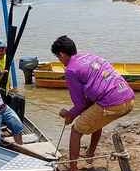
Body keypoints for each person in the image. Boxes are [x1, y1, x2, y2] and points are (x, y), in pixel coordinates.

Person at [51, 36, 135, 171]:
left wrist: (69, 114)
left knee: (76, 130)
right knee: (96, 118)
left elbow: (80, 104)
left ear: (61, 54)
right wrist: (73, 113)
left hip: (112, 103)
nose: (60, 61)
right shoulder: (89, 56)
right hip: (129, 98)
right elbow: (88, 102)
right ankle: (90, 154)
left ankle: (73, 168)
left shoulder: (71, 70)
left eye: (58, 57)